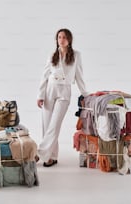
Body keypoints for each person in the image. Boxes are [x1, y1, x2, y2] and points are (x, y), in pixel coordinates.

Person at [36, 28, 89, 167]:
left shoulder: (76, 55)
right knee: (47, 125)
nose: (62, 39)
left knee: (54, 125)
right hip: (50, 90)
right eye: (59, 37)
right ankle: (51, 157)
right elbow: (44, 75)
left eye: (64, 37)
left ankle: (39, 153)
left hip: (64, 92)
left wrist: (85, 94)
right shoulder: (52, 54)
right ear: (57, 40)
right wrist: (40, 95)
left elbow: (79, 76)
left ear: (69, 39)